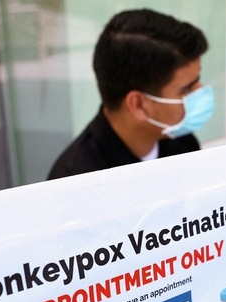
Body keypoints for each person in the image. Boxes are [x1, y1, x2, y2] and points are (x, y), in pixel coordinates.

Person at [48, 9, 213, 180]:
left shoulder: (182, 143)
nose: (200, 91)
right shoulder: (76, 184)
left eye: (197, 80)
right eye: (187, 89)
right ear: (139, 105)